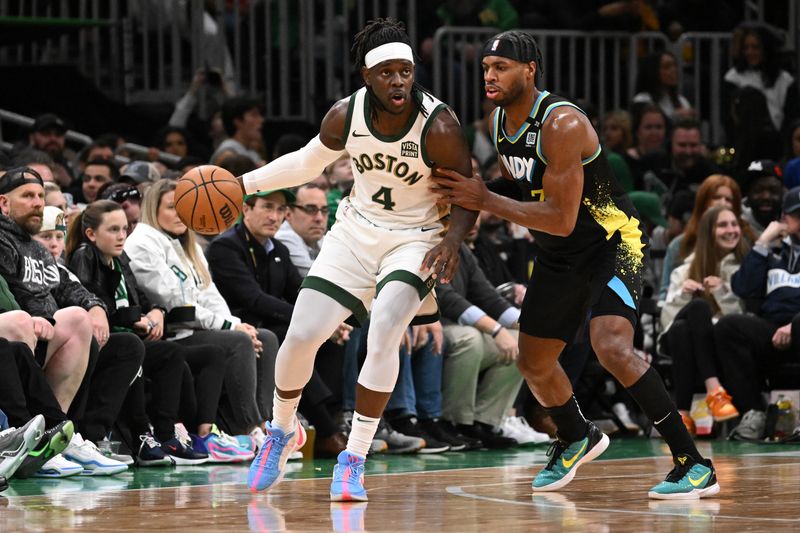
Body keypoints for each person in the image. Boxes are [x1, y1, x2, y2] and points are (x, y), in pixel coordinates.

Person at [430, 30, 718, 499]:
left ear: (529, 70)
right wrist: (469, 200)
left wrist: (485, 200)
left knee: (612, 348)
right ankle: (576, 434)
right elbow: (523, 189)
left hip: (610, 242)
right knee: (533, 360)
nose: (489, 75)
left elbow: (562, 219)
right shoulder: (499, 120)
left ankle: (692, 462)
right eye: (485, 67)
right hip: (559, 253)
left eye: (500, 67)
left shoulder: (561, 124)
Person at [238, 18, 477, 500]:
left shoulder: (439, 125)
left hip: (415, 237)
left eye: (405, 72)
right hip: (355, 231)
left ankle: (354, 458)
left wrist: (452, 240)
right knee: (303, 334)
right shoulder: (345, 115)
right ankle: (282, 432)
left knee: (387, 327)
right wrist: (242, 183)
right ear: (368, 76)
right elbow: (306, 163)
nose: (398, 81)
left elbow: (469, 192)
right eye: (387, 72)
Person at [715, 186, 800, 440]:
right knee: (728, 327)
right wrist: (763, 242)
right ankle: (754, 413)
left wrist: (794, 326)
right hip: (773, 331)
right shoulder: (771, 253)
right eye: (798, 215)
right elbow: (743, 287)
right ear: (784, 217)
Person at [659, 206, 748, 434]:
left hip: (717, 342)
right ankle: (714, 391)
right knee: (696, 308)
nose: (731, 230)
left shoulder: (743, 269)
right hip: (672, 341)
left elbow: (740, 320)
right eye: (723, 225)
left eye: (734, 224)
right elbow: (665, 320)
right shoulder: (684, 270)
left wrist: (722, 292)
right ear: (708, 231)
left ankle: (682, 415)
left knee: (682, 329)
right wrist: (682, 296)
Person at [275, 184, 329, 277]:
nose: (319, 218)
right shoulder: (283, 237)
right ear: (288, 214)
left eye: (324, 210)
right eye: (310, 209)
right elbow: (318, 278)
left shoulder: (320, 237)